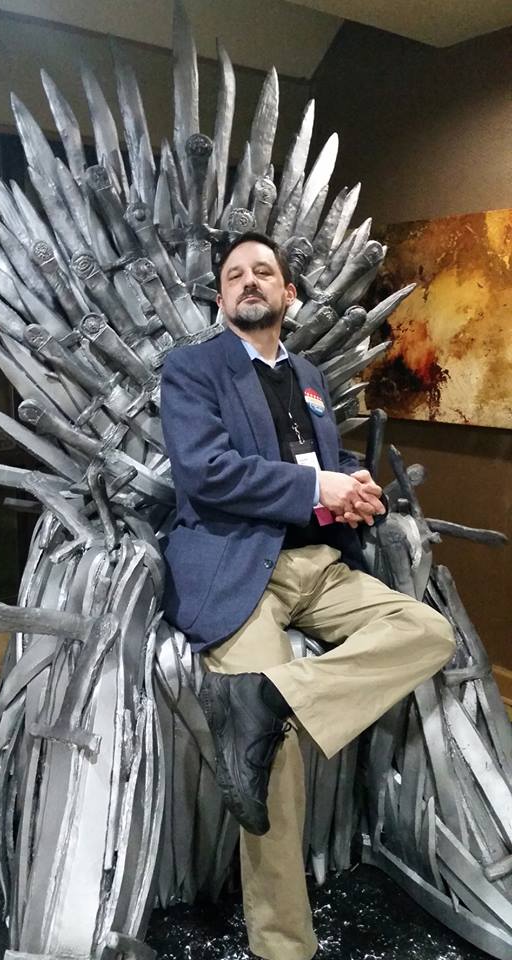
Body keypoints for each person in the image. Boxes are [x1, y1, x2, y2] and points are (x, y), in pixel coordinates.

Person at [160, 232, 455, 960]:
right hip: (238, 570)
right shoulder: (192, 370)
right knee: (275, 765)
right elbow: (206, 473)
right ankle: (283, 946)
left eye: (263, 271)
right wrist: (316, 486)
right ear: (221, 298)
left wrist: (349, 486)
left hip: (319, 565)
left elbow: (316, 463)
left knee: (428, 632)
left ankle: (269, 701)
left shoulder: (311, 375)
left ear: (288, 294)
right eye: (235, 274)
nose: (249, 281)